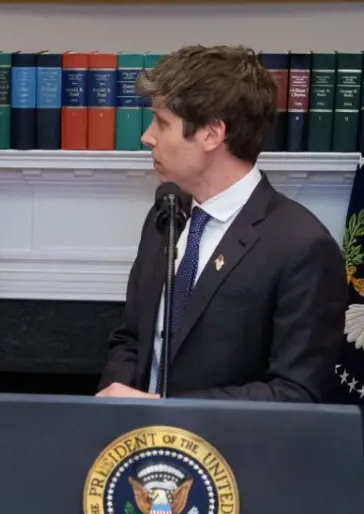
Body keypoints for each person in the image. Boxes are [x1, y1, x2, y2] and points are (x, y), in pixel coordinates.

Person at [97, 45, 345, 402]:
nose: (146, 136)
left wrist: (168, 411)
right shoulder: (166, 214)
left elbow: (295, 393)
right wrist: (115, 400)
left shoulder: (302, 247)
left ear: (212, 134)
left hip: (228, 455)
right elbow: (132, 339)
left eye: (163, 123)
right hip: (137, 448)